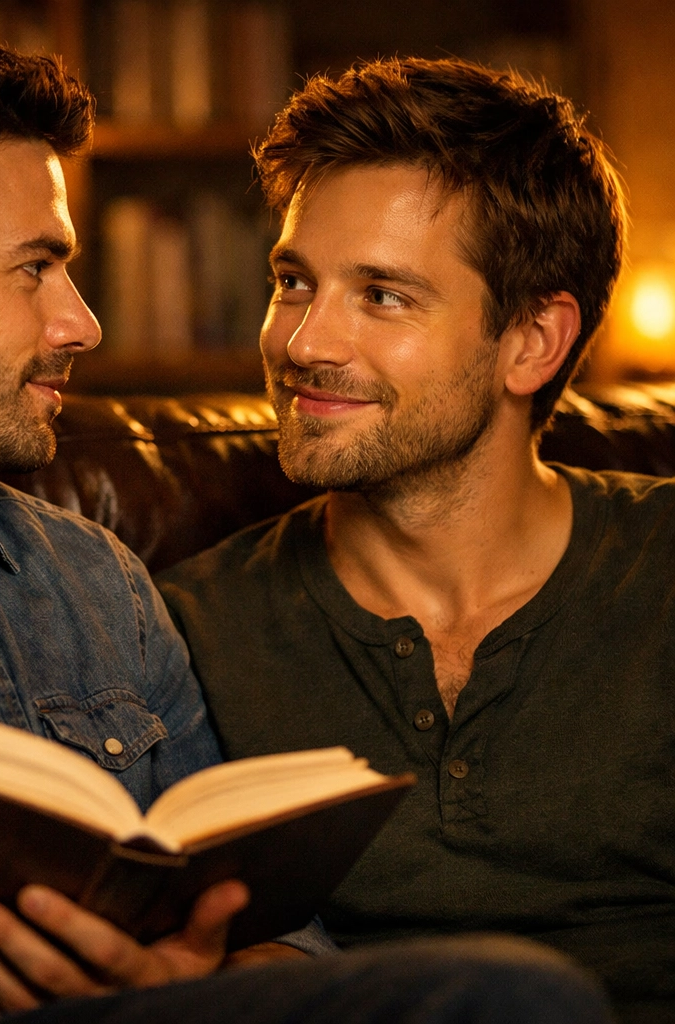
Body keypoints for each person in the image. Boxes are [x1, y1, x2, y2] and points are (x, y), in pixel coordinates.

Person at [0, 29, 612, 1024]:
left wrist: (179, 977)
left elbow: (260, 938)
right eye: (34, 267)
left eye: (380, 294)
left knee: (493, 998)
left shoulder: (85, 584)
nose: (81, 323)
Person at [156, 58, 674, 1024]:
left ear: (531, 341)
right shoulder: (185, 627)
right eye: (293, 282)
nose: (305, 342)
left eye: (382, 295)